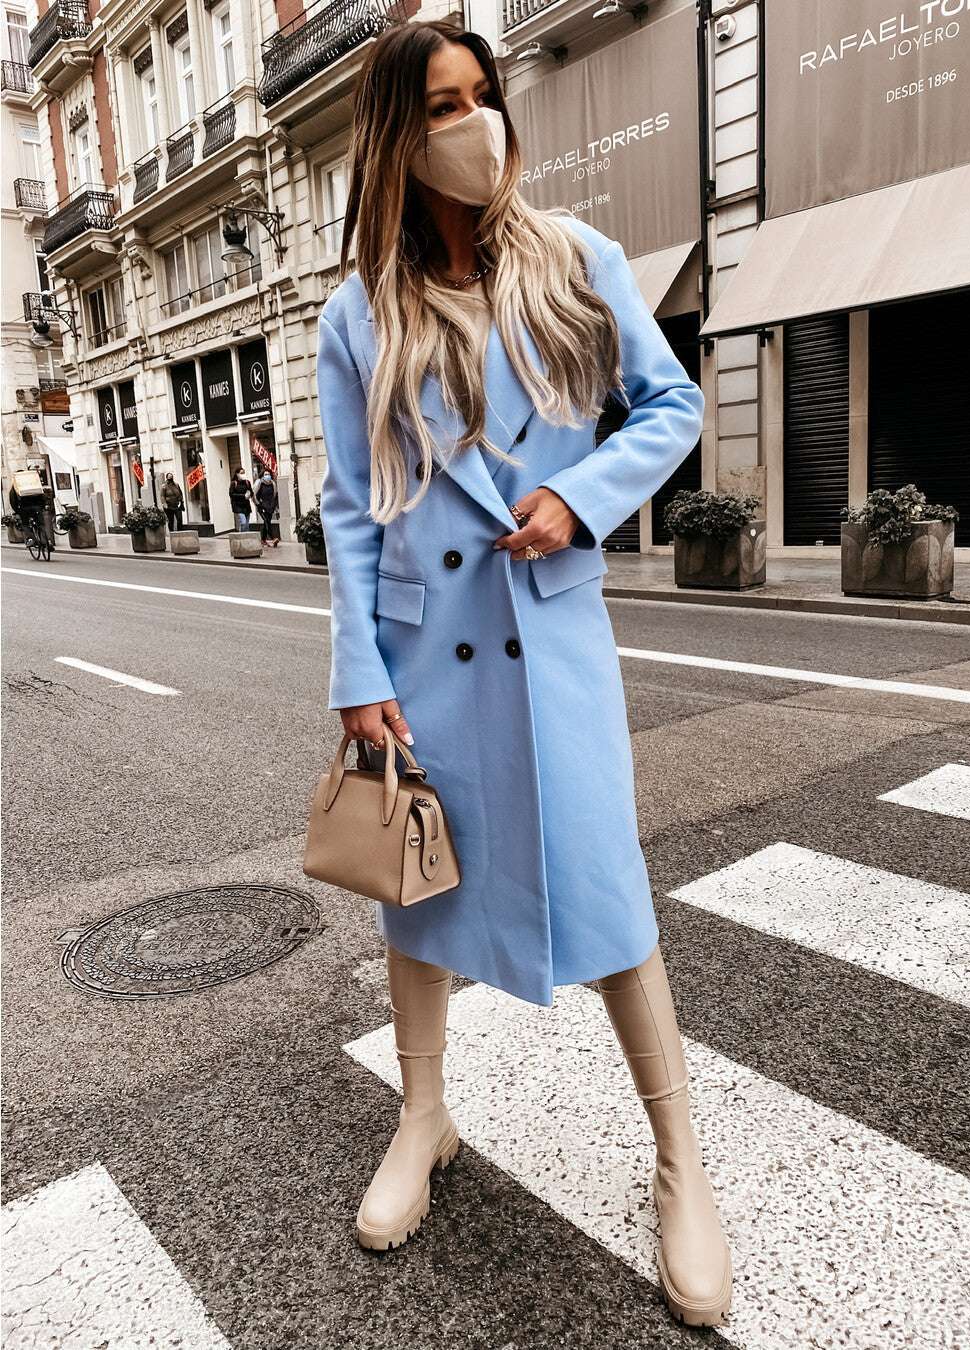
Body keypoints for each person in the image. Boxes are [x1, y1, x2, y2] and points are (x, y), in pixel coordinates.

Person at [315, 21, 731, 1329]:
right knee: (415, 890)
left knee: (604, 892)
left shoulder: (575, 260)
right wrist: (354, 670)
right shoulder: (357, 310)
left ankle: (679, 1165)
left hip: (547, 639)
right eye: (440, 105)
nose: (473, 123)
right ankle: (423, 1117)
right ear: (396, 131)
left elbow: (670, 408)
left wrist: (577, 491)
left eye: (481, 96)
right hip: (422, 647)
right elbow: (346, 504)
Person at [9, 470, 48, 543]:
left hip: (24, 509)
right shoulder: (33, 483)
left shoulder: (15, 486)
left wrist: (17, 511)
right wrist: (43, 506)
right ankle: (46, 541)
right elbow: (41, 494)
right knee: (41, 524)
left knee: (25, 524)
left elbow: (13, 500)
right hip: (37, 507)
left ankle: (30, 539)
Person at [254, 470, 279, 547]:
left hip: (270, 506)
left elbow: (275, 495)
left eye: (268, 474)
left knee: (266, 523)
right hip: (262, 506)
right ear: (262, 475)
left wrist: (275, 506)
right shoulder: (259, 483)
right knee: (267, 521)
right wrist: (258, 505)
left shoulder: (273, 484)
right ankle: (273, 538)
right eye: (265, 474)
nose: (267, 475)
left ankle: (263, 540)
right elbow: (254, 495)